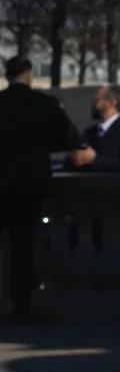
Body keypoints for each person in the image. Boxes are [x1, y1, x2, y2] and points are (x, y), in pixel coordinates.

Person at [0, 56, 86, 322]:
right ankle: (21, 304)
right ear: (28, 74)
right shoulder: (43, 104)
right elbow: (69, 138)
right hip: (29, 183)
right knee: (23, 245)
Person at [75, 86, 120, 173]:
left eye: (98, 98)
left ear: (112, 101)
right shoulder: (89, 133)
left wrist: (95, 160)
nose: (93, 102)